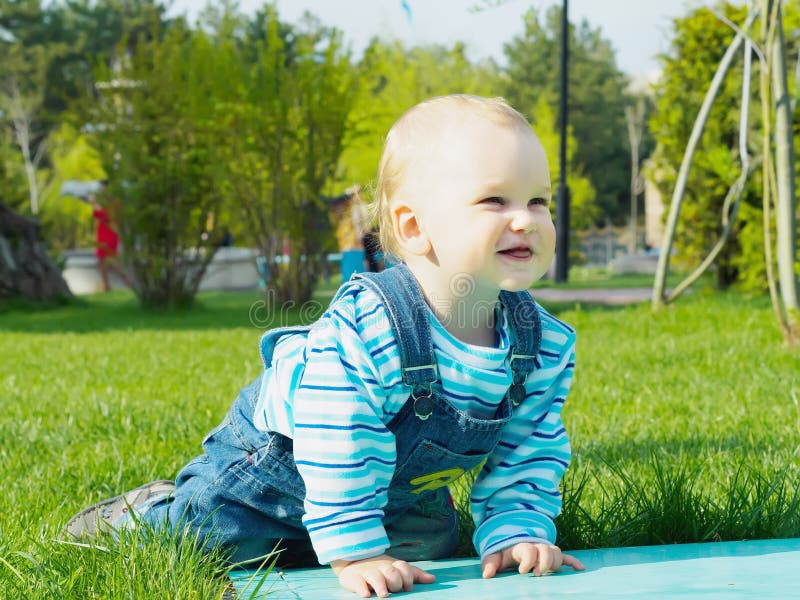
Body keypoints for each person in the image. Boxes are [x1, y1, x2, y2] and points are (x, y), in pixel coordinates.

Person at [64, 95, 585, 597]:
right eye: (495, 200)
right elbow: (336, 435)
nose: (526, 219)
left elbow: (528, 447)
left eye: (538, 200)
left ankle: (326, 538)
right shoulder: (371, 328)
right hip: (275, 465)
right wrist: (356, 552)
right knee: (207, 542)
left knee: (432, 551)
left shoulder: (540, 345)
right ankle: (140, 516)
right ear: (413, 226)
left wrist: (517, 531)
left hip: (390, 489)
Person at [84, 182, 133, 292]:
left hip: (110, 232)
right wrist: (94, 203)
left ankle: (128, 281)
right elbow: (97, 215)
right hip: (101, 232)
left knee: (111, 259)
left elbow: (107, 216)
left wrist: (95, 204)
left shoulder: (114, 202)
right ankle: (106, 286)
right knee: (100, 260)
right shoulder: (101, 201)